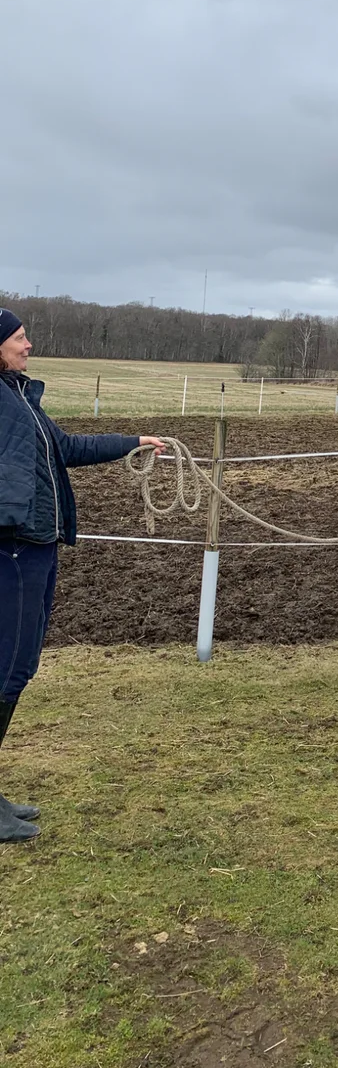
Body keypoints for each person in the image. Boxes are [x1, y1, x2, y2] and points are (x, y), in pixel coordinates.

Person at [0, 308, 165, 843]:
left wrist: (132, 441)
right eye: (20, 338)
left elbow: (67, 449)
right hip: (12, 549)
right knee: (8, 669)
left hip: (38, 547)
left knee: (18, 667)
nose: (29, 345)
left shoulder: (21, 399)